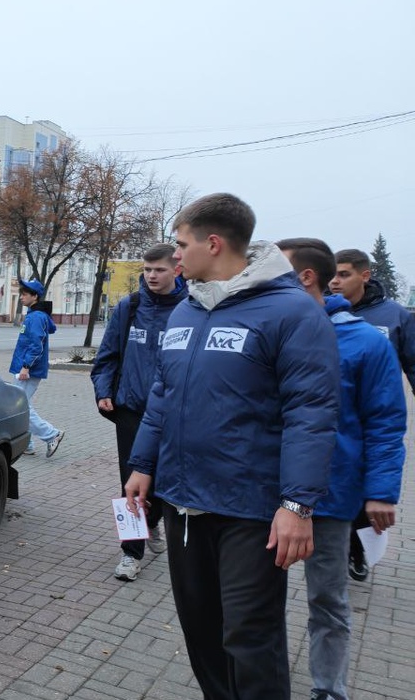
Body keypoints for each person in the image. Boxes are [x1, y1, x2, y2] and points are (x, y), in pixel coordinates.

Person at [124, 193, 340, 700]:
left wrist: (297, 504)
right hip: (182, 503)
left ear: (213, 243)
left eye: (181, 245)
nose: (175, 256)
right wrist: (141, 462)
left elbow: (311, 413)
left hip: (250, 512)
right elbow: (163, 393)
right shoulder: (186, 310)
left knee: (248, 639)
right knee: (201, 634)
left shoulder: (290, 312)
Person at [277, 237, 406, 700]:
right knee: (255, 602)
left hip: (329, 497)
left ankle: (328, 690)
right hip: (261, 493)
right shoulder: (269, 328)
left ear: (305, 276)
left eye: (279, 269)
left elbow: (386, 422)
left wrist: (381, 491)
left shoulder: (365, 341)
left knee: (327, 601)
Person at [90, 243, 187, 582]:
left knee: (162, 482)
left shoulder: (191, 309)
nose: (151, 276)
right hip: (132, 411)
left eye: (158, 270)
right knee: (130, 482)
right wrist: (104, 392)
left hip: (175, 414)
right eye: (146, 270)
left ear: (177, 269)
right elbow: (106, 357)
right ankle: (131, 553)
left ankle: (153, 520)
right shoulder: (129, 308)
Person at [328, 248, 415, 582]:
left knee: (368, 492)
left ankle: (359, 548)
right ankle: (344, 549)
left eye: (344, 274)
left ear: (365, 276)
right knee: (339, 492)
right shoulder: (322, 314)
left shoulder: (393, 315)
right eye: (333, 274)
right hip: (337, 423)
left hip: (375, 421)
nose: (335, 281)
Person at [9, 278, 64, 457]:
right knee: (22, 404)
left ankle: (51, 435)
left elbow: (36, 345)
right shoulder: (34, 315)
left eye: (24, 295)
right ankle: (27, 444)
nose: (21, 298)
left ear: (35, 296)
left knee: (19, 406)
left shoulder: (36, 317)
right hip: (25, 368)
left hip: (28, 370)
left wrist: (26, 367)